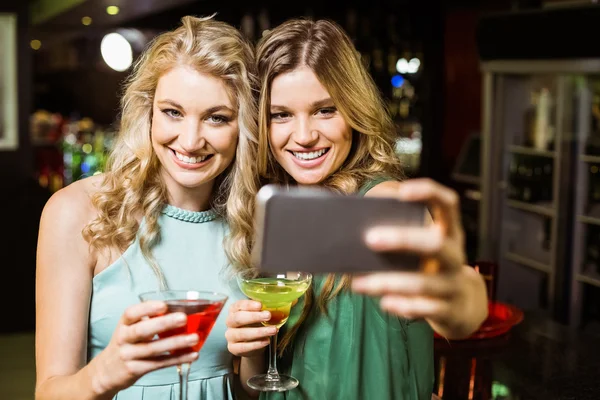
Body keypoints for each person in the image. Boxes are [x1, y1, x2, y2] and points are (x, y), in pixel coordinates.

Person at [224, 18, 488, 399]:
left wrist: (456, 293)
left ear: (354, 110)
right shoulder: (269, 215)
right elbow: (257, 391)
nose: (304, 135)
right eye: (281, 114)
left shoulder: (383, 202)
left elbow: (463, 312)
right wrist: (249, 351)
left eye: (325, 110)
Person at [35, 15, 258, 399]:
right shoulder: (77, 211)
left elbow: (242, 388)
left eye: (217, 118)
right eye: (173, 112)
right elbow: (49, 392)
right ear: (147, 111)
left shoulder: (250, 222)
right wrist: (106, 372)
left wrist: (254, 355)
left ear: (244, 127)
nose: (190, 141)